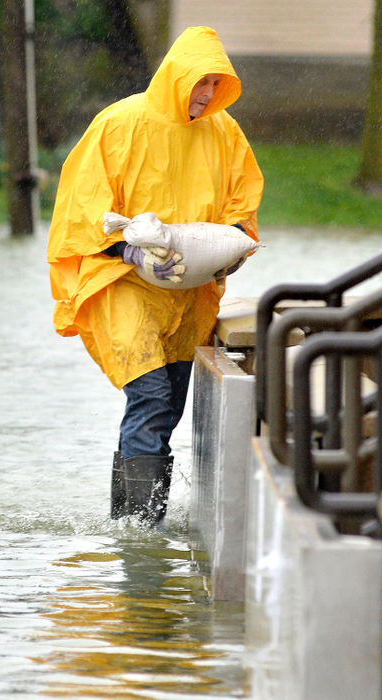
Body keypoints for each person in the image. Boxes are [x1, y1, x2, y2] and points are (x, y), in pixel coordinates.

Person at [47, 26, 264, 524]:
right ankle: (140, 533)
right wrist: (128, 250)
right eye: (200, 82)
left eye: (216, 84)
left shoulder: (224, 132)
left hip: (189, 293)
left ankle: (136, 522)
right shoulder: (119, 124)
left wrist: (232, 248)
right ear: (176, 76)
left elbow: (241, 203)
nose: (207, 94)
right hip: (121, 283)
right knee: (148, 396)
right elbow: (85, 205)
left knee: (167, 411)